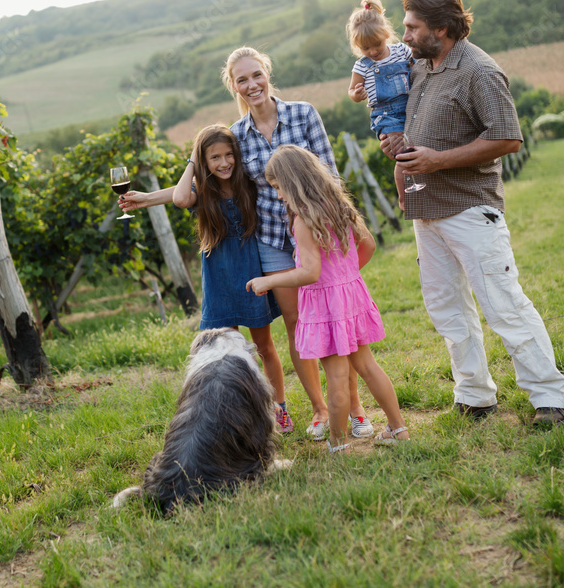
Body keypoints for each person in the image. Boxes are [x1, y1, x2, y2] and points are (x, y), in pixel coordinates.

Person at [381, 0, 564, 426]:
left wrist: (435, 160)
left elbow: (506, 137)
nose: (404, 36)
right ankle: (474, 395)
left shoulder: (480, 71)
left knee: (503, 304)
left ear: (441, 28)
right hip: (424, 210)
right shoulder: (422, 65)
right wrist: (400, 144)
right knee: (448, 308)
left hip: (469, 210)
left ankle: (549, 398)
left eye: (412, 27)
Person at [223, 46, 372, 441]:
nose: (251, 84)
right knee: (299, 325)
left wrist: (347, 228)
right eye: (242, 79)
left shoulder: (303, 114)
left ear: (267, 73)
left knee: (337, 321)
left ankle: (354, 408)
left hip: (318, 233)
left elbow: (329, 175)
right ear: (233, 86)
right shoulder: (236, 136)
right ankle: (322, 410)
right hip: (274, 238)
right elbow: (218, 180)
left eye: (257, 74)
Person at [118, 124, 293, 432]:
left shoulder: (247, 184)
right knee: (223, 350)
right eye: (214, 158)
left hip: (251, 271)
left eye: (229, 155)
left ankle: (278, 408)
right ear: (203, 162)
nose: (223, 163)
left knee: (263, 346)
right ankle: (236, 414)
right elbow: (181, 197)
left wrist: (147, 197)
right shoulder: (204, 191)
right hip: (218, 276)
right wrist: (192, 162)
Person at [246, 145, 410, 452]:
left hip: (325, 305)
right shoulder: (340, 205)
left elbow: (309, 272)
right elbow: (369, 245)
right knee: (368, 366)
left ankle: (337, 443)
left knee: (335, 374)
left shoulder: (303, 220)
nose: (279, 196)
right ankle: (399, 428)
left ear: (292, 183)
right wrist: (346, 276)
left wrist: (268, 281)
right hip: (351, 295)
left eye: (279, 188)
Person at [346, 0, 414, 144]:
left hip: (412, 105)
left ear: (386, 34)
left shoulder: (401, 51)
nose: (373, 51)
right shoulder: (362, 66)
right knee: (399, 145)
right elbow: (350, 91)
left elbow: (419, 65)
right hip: (385, 115)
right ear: (357, 46)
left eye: (377, 44)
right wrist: (356, 94)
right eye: (366, 48)